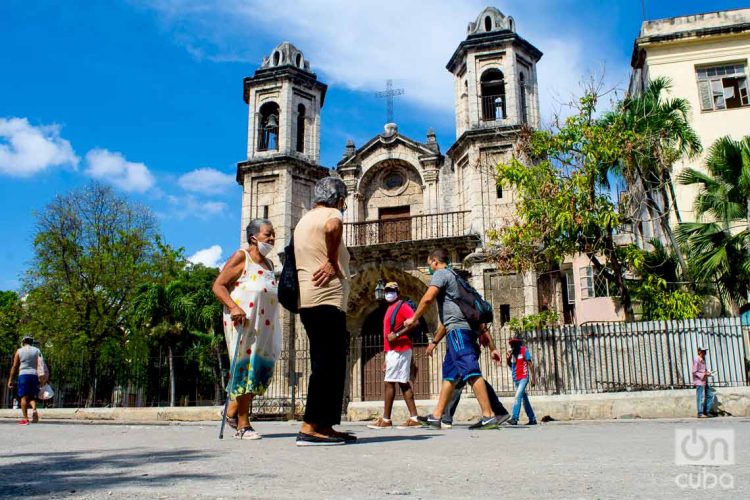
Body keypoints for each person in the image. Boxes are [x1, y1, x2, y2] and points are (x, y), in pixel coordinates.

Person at [405, 248, 502, 430]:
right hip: (458, 331)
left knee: (471, 371)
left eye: (429, 265)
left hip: (458, 332)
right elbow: (465, 318)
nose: (429, 269)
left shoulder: (441, 273)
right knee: (450, 375)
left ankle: (488, 415)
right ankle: (436, 416)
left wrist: (414, 318)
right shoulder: (457, 278)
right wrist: (492, 347)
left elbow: (427, 299)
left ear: (435, 261)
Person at [294, 176, 355, 446]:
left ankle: (325, 425)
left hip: (312, 301)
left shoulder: (304, 220)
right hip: (325, 300)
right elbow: (333, 227)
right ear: (339, 199)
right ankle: (309, 427)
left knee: (330, 363)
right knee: (325, 365)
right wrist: (332, 261)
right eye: (345, 202)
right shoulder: (331, 214)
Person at [212, 218, 282, 440]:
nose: (272, 238)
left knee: (259, 369)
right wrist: (233, 307)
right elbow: (218, 285)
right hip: (243, 322)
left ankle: (231, 411)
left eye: (273, 235)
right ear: (254, 237)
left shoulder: (269, 265)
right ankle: (243, 425)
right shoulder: (241, 257)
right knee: (245, 368)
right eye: (267, 234)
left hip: (265, 325)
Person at [367, 282, 421, 430]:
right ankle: (414, 418)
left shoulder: (402, 306)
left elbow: (415, 322)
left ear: (397, 291)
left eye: (391, 290)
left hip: (400, 348)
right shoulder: (390, 308)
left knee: (389, 382)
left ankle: (386, 419)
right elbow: (387, 336)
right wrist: (386, 356)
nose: (388, 293)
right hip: (393, 351)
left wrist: (397, 334)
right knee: (402, 382)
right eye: (386, 291)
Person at [435, 324, 511, 428]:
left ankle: (445, 417)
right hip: (462, 345)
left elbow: (447, 324)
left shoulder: (461, 309)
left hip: (463, 346)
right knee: (469, 379)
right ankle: (499, 411)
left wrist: (434, 342)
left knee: (463, 379)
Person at [7, 336, 46, 425]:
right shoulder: (37, 350)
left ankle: (25, 419)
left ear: (23, 342)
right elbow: (41, 364)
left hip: (23, 375)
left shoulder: (19, 351)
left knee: (23, 397)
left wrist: (10, 379)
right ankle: (34, 410)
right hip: (34, 375)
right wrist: (43, 378)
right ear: (31, 342)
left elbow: (15, 366)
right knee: (32, 396)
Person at [507, 335, 537, 425]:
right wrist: (508, 357)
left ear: (518, 343)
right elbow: (509, 365)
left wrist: (533, 379)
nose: (513, 345)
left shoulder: (524, 350)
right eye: (512, 343)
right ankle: (532, 419)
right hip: (516, 378)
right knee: (524, 400)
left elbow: (530, 364)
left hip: (524, 378)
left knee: (517, 397)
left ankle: (515, 418)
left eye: (515, 343)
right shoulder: (512, 353)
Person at [692, 345, 716, 418]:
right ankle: (700, 413)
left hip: (704, 381)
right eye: (703, 351)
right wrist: (704, 374)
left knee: (710, 395)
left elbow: (701, 371)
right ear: (699, 352)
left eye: (705, 351)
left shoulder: (702, 360)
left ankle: (706, 411)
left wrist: (708, 372)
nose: (704, 353)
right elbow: (694, 372)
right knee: (700, 397)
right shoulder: (697, 360)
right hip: (699, 382)